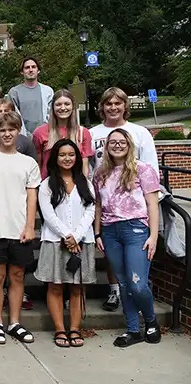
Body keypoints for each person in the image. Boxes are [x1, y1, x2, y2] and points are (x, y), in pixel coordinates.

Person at [89, 87, 159, 312]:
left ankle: (143, 308)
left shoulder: (139, 133)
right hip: (106, 205)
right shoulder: (92, 134)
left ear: (125, 106)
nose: (113, 107)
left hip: (135, 211)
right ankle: (114, 290)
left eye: (117, 103)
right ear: (102, 107)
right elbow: (88, 167)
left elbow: (152, 170)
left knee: (135, 272)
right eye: (108, 103)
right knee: (114, 257)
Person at [0, 111, 40, 345]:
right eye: (2, 130)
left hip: (20, 228)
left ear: (18, 131)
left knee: (17, 275)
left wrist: (30, 226)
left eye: (11, 129)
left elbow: (32, 197)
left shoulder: (28, 163)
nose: (7, 134)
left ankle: (14, 321)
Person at [94, 129, 161, 347]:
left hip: (136, 230)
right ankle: (133, 330)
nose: (117, 145)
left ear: (129, 144)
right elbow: (98, 205)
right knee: (123, 283)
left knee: (138, 284)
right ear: (107, 146)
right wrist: (97, 233)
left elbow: (152, 204)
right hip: (110, 231)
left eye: (122, 142)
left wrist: (153, 236)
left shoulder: (143, 169)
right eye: (113, 142)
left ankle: (151, 321)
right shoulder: (101, 172)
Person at [36, 139, 97, 348]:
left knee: (77, 289)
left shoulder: (85, 183)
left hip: (82, 243)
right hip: (55, 241)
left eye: (71, 154)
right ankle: (60, 329)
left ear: (77, 157)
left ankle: (74, 328)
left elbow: (91, 210)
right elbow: (48, 214)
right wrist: (67, 236)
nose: (67, 158)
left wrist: (76, 237)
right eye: (62, 154)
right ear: (55, 158)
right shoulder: (46, 185)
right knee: (55, 287)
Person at [33, 90, 93, 180]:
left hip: (75, 184)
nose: (63, 108)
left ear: (73, 106)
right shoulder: (40, 132)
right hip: (49, 185)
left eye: (67, 104)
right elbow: (38, 164)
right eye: (58, 104)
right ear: (52, 107)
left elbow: (85, 166)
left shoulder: (83, 133)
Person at [7, 57, 54, 135]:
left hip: (44, 136)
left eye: (33, 67)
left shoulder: (47, 91)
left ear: (38, 70)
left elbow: (51, 116)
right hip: (21, 137)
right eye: (27, 67)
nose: (31, 70)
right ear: (22, 72)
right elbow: (12, 117)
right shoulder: (14, 92)